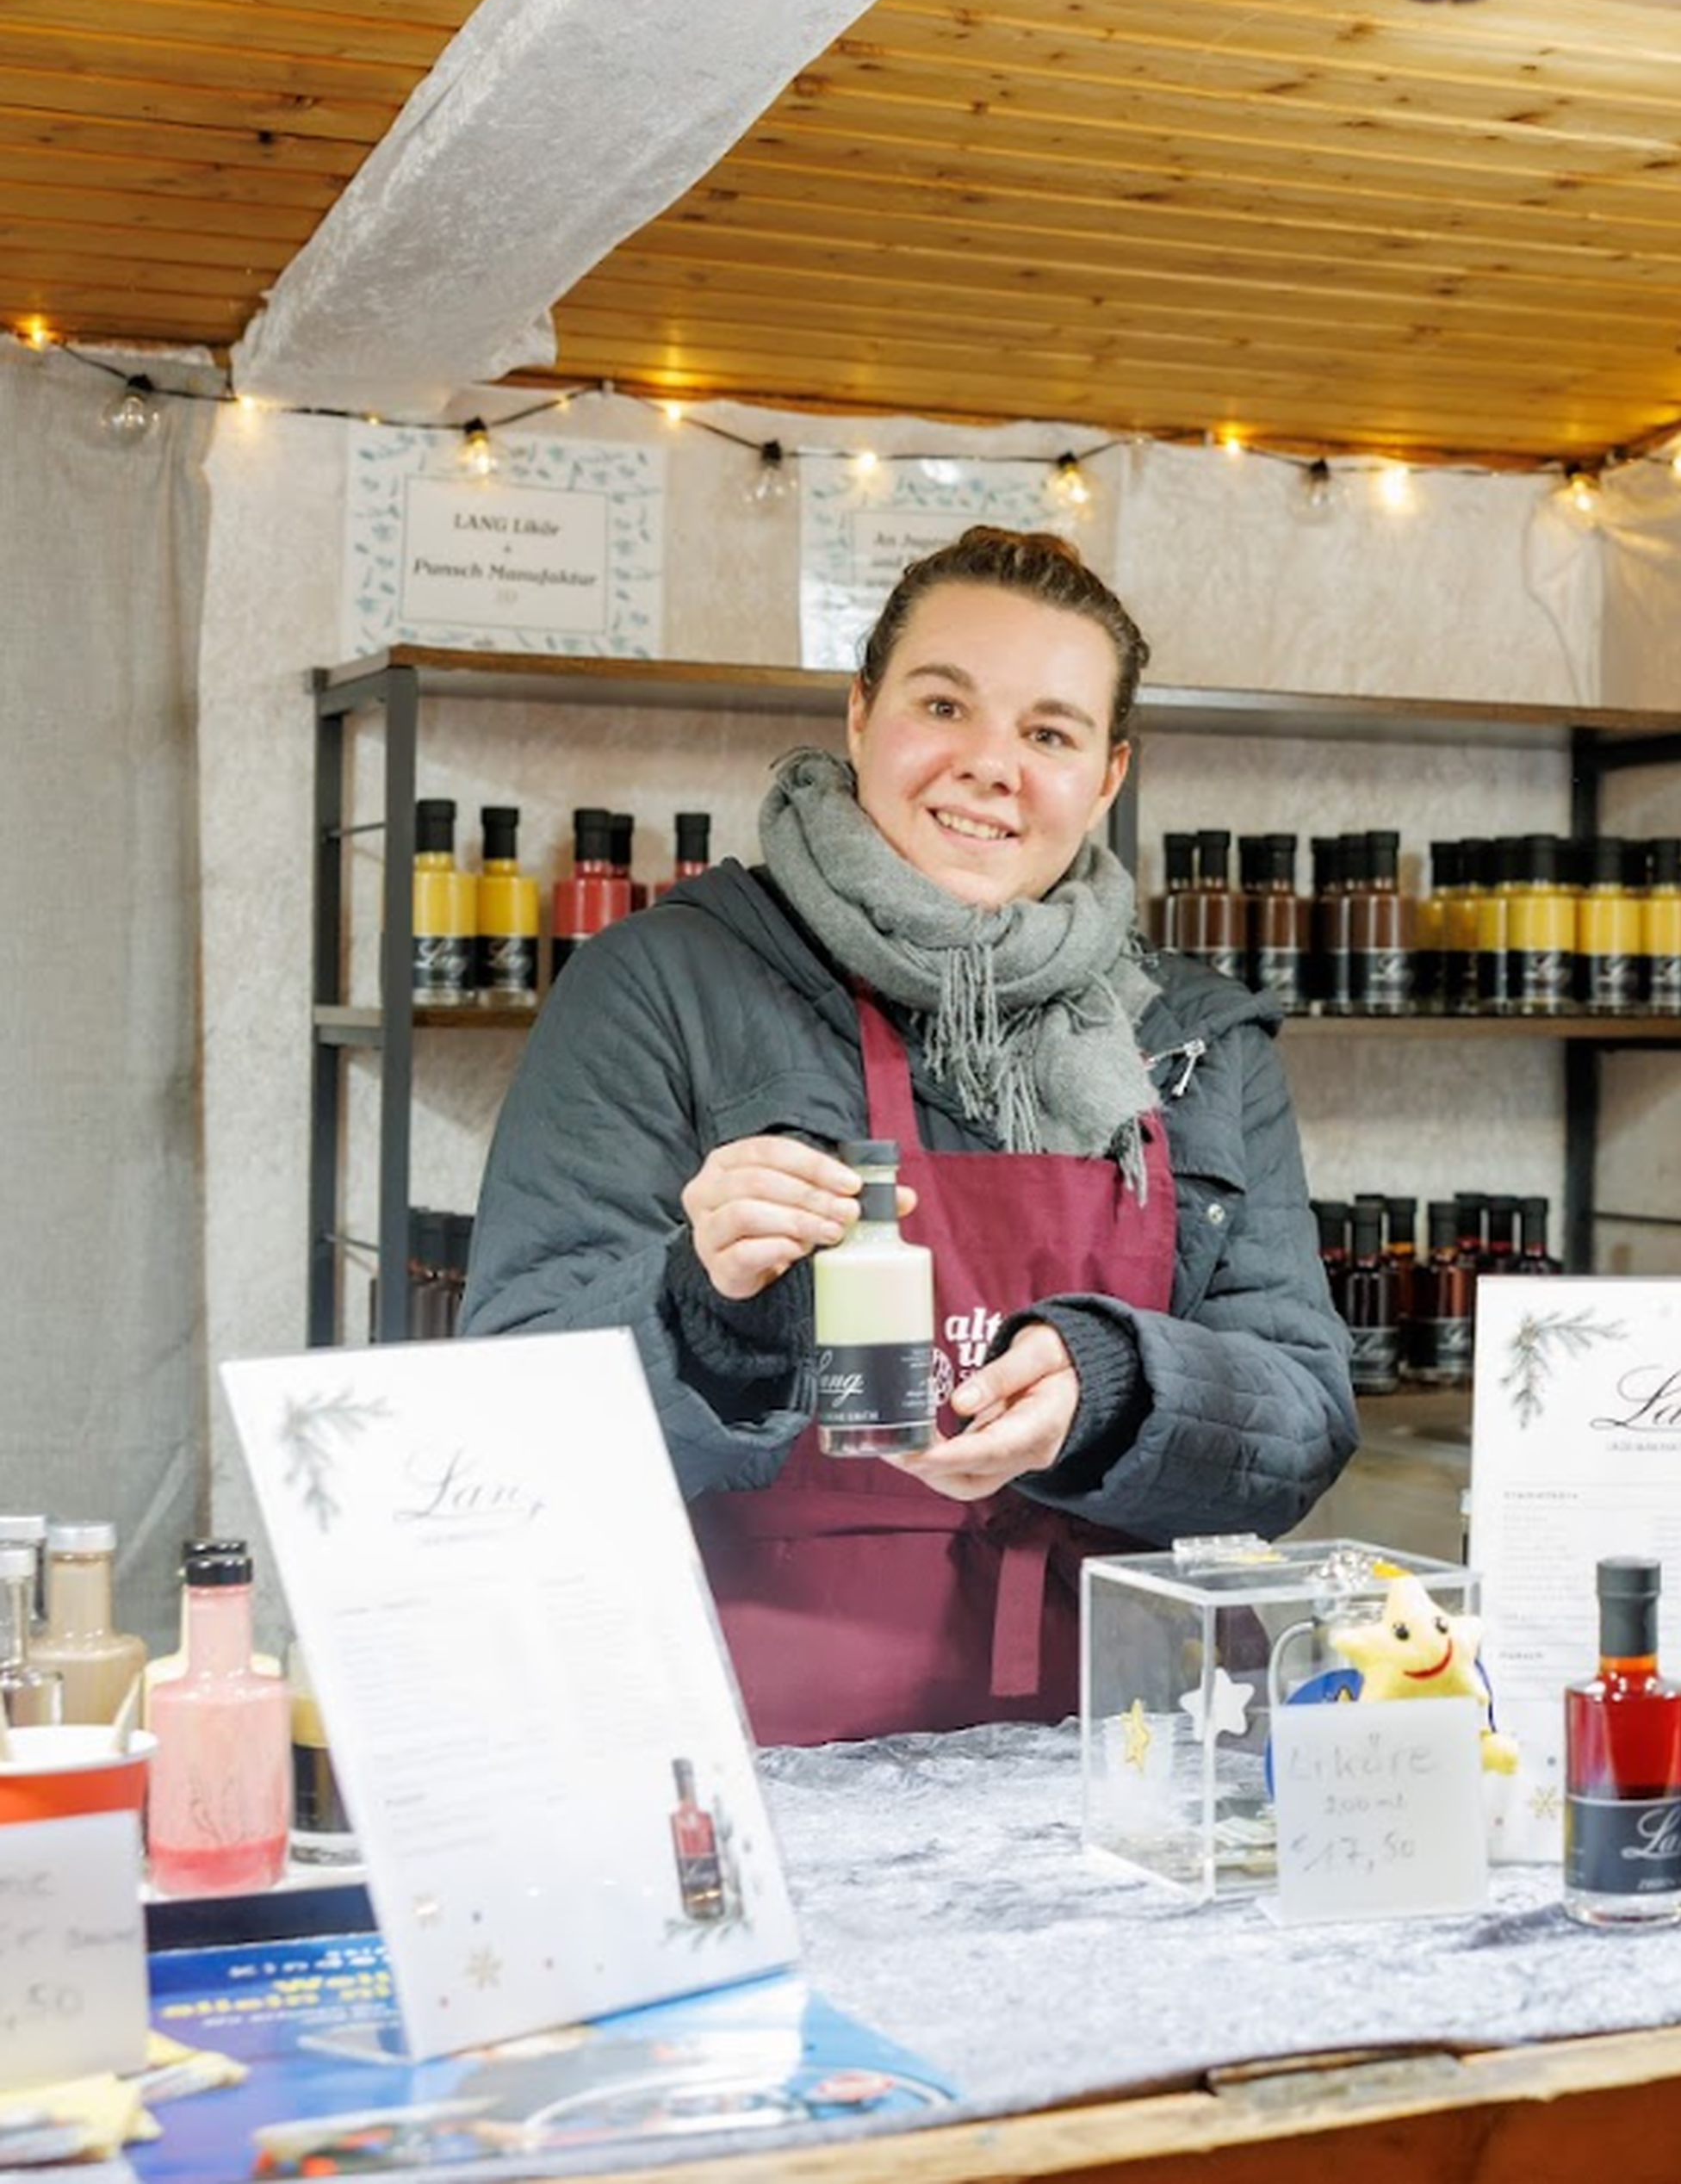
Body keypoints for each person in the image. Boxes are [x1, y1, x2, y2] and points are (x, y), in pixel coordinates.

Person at [461, 527, 1355, 1745]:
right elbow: (510, 1409)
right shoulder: (665, 984)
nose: (991, 766)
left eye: (1049, 732)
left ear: (1105, 777)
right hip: (752, 1753)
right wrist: (708, 1315)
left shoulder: (1193, 1031)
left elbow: (1299, 1411)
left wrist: (1115, 1385)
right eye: (946, 704)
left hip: (1127, 1763)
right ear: (861, 713)